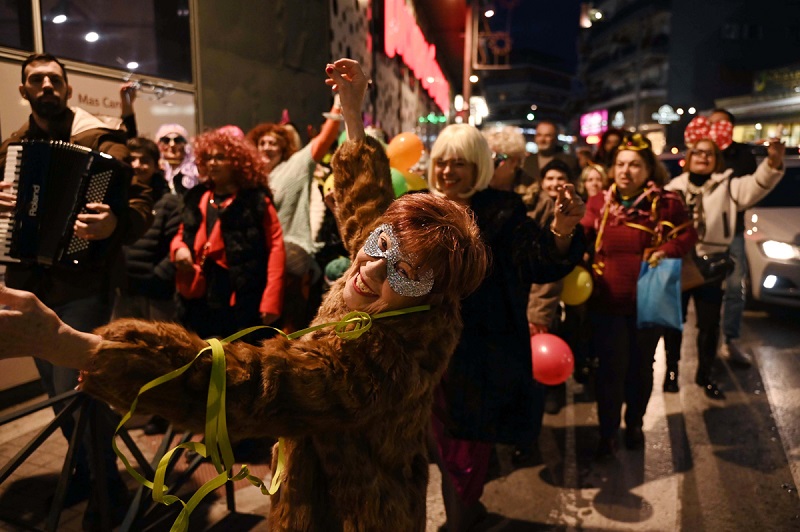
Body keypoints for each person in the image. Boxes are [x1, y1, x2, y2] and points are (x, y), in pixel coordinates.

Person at [0, 58, 490, 531]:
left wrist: (74, 344)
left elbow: (255, 384)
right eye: (382, 245)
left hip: (344, 512)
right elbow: (367, 211)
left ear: (431, 295)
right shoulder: (395, 282)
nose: (371, 266)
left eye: (402, 273)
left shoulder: (385, 360)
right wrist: (352, 114)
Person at [0, 52, 154, 529]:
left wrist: (114, 224)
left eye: (55, 79)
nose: (46, 85)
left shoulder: (103, 141)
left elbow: (142, 201)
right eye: (36, 80)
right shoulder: (11, 148)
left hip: (83, 283)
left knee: (78, 392)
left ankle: (109, 486)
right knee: (55, 393)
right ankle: (86, 472)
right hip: (30, 285)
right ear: (24, 91)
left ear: (66, 89)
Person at [429, 122, 585, 530]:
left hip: (476, 357)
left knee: (464, 447)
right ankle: (464, 513)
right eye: (442, 162)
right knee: (435, 444)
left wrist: (563, 230)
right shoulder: (417, 207)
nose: (447, 172)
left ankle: (460, 518)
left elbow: (539, 260)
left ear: (478, 165)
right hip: (423, 351)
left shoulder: (502, 211)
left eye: (459, 163)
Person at [580, 133, 697, 459]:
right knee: (610, 370)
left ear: (648, 169)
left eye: (634, 165)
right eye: (620, 164)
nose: (625, 171)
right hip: (608, 301)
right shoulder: (599, 202)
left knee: (641, 368)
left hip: (649, 301)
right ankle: (607, 434)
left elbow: (688, 234)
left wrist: (666, 249)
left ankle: (634, 423)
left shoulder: (667, 202)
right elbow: (583, 233)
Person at [664, 136, 785, 399]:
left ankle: (705, 374)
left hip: (713, 265)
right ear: (689, 158)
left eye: (709, 154)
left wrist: (773, 161)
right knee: (674, 323)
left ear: (716, 160)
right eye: (698, 153)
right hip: (679, 264)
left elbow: (758, 184)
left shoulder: (729, 185)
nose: (703, 158)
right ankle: (671, 372)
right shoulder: (673, 188)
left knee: (709, 325)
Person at [171, 128, 286, 342]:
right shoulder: (197, 197)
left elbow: (276, 249)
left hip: (241, 297)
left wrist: (272, 299)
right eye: (209, 157)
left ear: (237, 162)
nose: (213, 163)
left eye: (220, 157)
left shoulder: (256, 201)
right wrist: (179, 249)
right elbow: (181, 233)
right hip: (199, 297)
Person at [246, 101, 342, 333]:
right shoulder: (250, 178)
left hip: (291, 259)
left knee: (286, 332)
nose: (267, 147)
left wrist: (339, 105)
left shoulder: (293, 167)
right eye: (263, 143)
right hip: (258, 262)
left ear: (283, 149)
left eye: (274, 143)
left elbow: (322, 142)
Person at [113, 137, 182, 436]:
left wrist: (159, 274)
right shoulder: (120, 199)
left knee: (160, 356)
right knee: (128, 354)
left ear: (156, 166)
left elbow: (177, 240)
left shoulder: (168, 200)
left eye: (145, 160)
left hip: (157, 293)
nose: (138, 165)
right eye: (133, 160)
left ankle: (164, 414)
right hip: (127, 290)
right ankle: (135, 409)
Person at [709, 109, 759, 368]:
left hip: (734, 231)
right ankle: (703, 343)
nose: (717, 128)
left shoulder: (742, 154)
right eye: (712, 123)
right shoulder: (703, 152)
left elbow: (749, 187)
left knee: (734, 286)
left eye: (722, 124)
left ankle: (730, 340)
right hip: (705, 232)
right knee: (703, 288)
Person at [156, 123, 200, 195]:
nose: (172, 144)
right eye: (166, 140)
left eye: (178, 140)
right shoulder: (155, 169)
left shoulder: (196, 170)